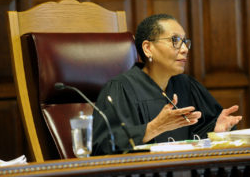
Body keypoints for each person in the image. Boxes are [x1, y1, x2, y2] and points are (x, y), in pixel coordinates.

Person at [92, 14, 242, 155]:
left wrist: (215, 131)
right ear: (148, 48)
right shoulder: (121, 88)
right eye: (175, 41)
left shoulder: (187, 85)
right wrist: (153, 128)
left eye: (185, 42)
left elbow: (198, 135)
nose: (184, 49)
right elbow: (103, 146)